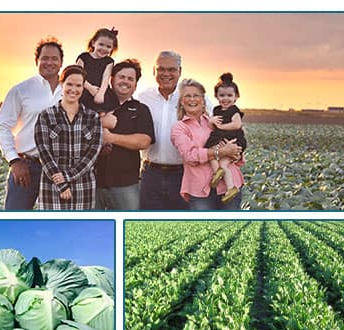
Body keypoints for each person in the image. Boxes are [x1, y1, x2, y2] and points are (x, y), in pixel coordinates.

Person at [0, 37, 64, 210]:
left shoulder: (72, 89)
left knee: (58, 226)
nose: (49, 62)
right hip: (27, 167)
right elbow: (1, 127)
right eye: (45, 58)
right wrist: (14, 161)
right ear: (36, 61)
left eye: (54, 58)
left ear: (61, 62)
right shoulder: (21, 90)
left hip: (61, 169)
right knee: (15, 222)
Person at [137, 50, 212, 210]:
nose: (166, 74)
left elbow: (216, 124)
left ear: (180, 71)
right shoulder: (143, 97)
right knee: (150, 226)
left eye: (171, 70)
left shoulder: (192, 97)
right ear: (154, 71)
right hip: (150, 174)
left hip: (184, 173)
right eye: (161, 69)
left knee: (180, 225)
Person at [34, 65, 103, 210]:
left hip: (83, 188)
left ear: (83, 88)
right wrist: (61, 184)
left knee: (81, 231)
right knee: (52, 231)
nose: (74, 89)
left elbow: (92, 154)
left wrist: (68, 176)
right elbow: (44, 152)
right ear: (61, 84)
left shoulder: (92, 117)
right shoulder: (46, 116)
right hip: (52, 187)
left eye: (78, 85)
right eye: (69, 84)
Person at [170, 79, 244, 210]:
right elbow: (190, 156)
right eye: (187, 96)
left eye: (196, 95)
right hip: (201, 190)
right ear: (181, 102)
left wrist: (236, 153)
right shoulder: (179, 128)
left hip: (230, 183)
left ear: (203, 100)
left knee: (232, 228)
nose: (192, 99)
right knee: (206, 228)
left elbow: (236, 140)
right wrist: (220, 152)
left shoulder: (215, 121)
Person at [95, 59, 155, 210]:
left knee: (128, 228)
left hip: (126, 184)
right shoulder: (94, 105)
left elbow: (143, 141)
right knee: (92, 230)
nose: (125, 81)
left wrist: (111, 138)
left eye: (130, 79)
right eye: (121, 77)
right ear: (111, 79)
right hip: (93, 183)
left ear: (135, 85)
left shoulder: (141, 109)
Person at [205, 72, 247, 203]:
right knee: (213, 155)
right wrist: (212, 121)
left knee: (220, 159)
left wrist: (222, 127)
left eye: (230, 95)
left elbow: (237, 124)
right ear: (216, 96)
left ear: (236, 97)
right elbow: (211, 126)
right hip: (220, 138)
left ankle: (219, 174)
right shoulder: (217, 110)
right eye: (222, 95)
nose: (225, 99)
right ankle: (229, 187)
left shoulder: (234, 111)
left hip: (233, 139)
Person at [76, 28, 120, 113]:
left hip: (101, 91)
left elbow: (106, 78)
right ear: (93, 43)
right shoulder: (83, 57)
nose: (104, 48)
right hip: (84, 88)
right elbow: (78, 75)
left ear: (112, 48)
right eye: (101, 44)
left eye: (108, 46)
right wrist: (90, 88)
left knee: (105, 112)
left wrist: (100, 93)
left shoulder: (109, 61)